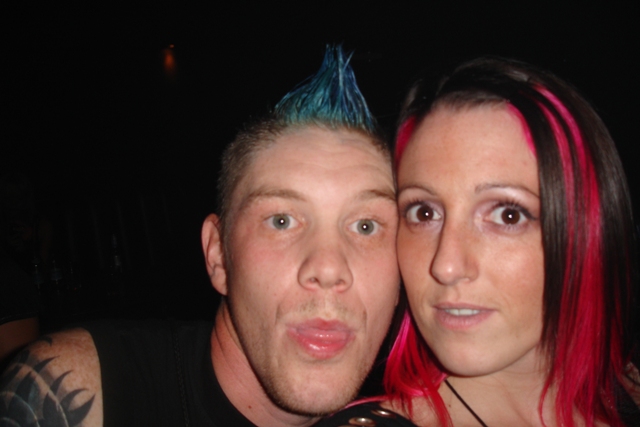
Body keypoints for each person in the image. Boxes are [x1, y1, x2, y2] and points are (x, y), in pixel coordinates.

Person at [0, 46, 401, 427]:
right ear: (217, 255)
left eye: (366, 226)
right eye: (281, 221)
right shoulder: (86, 390)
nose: (329, 268)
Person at [317, 57, 640, 426]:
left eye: (507, 215)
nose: (446, 266)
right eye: (424, 212)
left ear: (586, 231)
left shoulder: (626, 392)